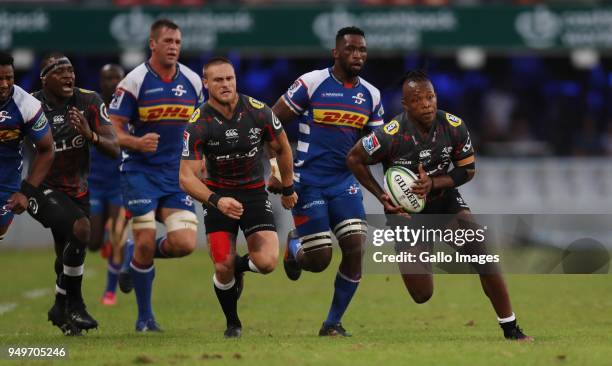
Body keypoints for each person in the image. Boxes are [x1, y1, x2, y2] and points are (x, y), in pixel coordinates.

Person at [346, 70, 534, 341]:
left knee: (484, 257)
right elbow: (354, 158)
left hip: (445, 204)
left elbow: (468, 170)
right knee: (422, 294)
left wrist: (433, 184)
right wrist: (382, 197)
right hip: (407, 216)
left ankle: (511, 328)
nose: (426, 104)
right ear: (406, 105)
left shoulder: (454, 126)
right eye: (417, 99)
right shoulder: (391, 134)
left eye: (430, 97)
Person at [269, 26, 384, 336]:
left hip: (344, 183)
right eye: (351, 49)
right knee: (319, 260)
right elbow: (272, 124)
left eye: (362, 50)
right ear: (336, 52)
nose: (358, 54)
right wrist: (279, 171)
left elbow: (376, 144)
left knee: (356, 247)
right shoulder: (311, 82)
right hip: (308, 182)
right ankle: (295, 247)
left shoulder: (371, 95)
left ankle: (332, 323)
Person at [180, 57, 297, 338]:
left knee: (267, 262)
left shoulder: (258, 111)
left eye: (229, 78)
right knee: (222, 267)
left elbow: (281, 147)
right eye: (218, 80)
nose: (225, 84)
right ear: (205, 83)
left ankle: (240, 267)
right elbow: (186, 177)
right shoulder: (198, 123)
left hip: (254, 193)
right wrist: (216, 200)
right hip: (218, 196)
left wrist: (286, 183)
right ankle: (233, 323)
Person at [109, 19, 203, 332]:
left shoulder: (192, 81)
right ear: (153, 44)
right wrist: (137, 143)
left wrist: (200, 160)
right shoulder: (134, 82)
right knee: (147, 236)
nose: (174, 47)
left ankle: (136, 256)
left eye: (177, 42)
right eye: (168, 41)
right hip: (139, 173)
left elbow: (201, 125)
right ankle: (145, 319)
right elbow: (112, 130)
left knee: (184, 243)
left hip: (176, 175)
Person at [31, 53, 120, 336]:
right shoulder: (30, 105)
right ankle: (76, 305)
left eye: (71, 70)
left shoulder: (89, 101)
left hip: (78, 189)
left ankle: (61, 308)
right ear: (45, 78)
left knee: (68, 255)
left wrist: (91, 135)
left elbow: (114, 147)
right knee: (82, 230)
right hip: (40, 187)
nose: (69, 75)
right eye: (61, 71)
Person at [0, 51, 54, 244]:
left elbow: (47, 149)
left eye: (9, 78)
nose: (4, 84)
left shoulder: (27, 105)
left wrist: (25, 192)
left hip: (5, 185)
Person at [88, 63, 129, 306]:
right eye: (108, 78)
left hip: (119, 183)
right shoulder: (91, 107)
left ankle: (110, 291)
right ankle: (100, 241)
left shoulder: (129, 107)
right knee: (93, 243)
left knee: (118, 235)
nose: (113, 82)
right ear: (101, 81)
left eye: (117, 78)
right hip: (94, 181)